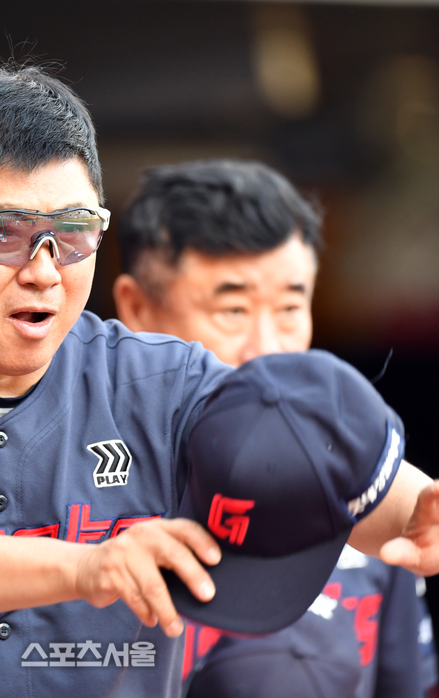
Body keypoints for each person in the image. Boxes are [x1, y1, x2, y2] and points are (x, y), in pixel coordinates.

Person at [0, 64, 439, 698]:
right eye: (1, 232)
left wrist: (416, 508)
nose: (44, 270)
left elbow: (314, 460)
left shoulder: (164, 380)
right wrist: (86, 567)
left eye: (74, 232)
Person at [113, 158, 438, 697]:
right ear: (137, 308)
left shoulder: (356, 481)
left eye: (290, 308)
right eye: (233, 311)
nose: (267, 349)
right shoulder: (79, 493)